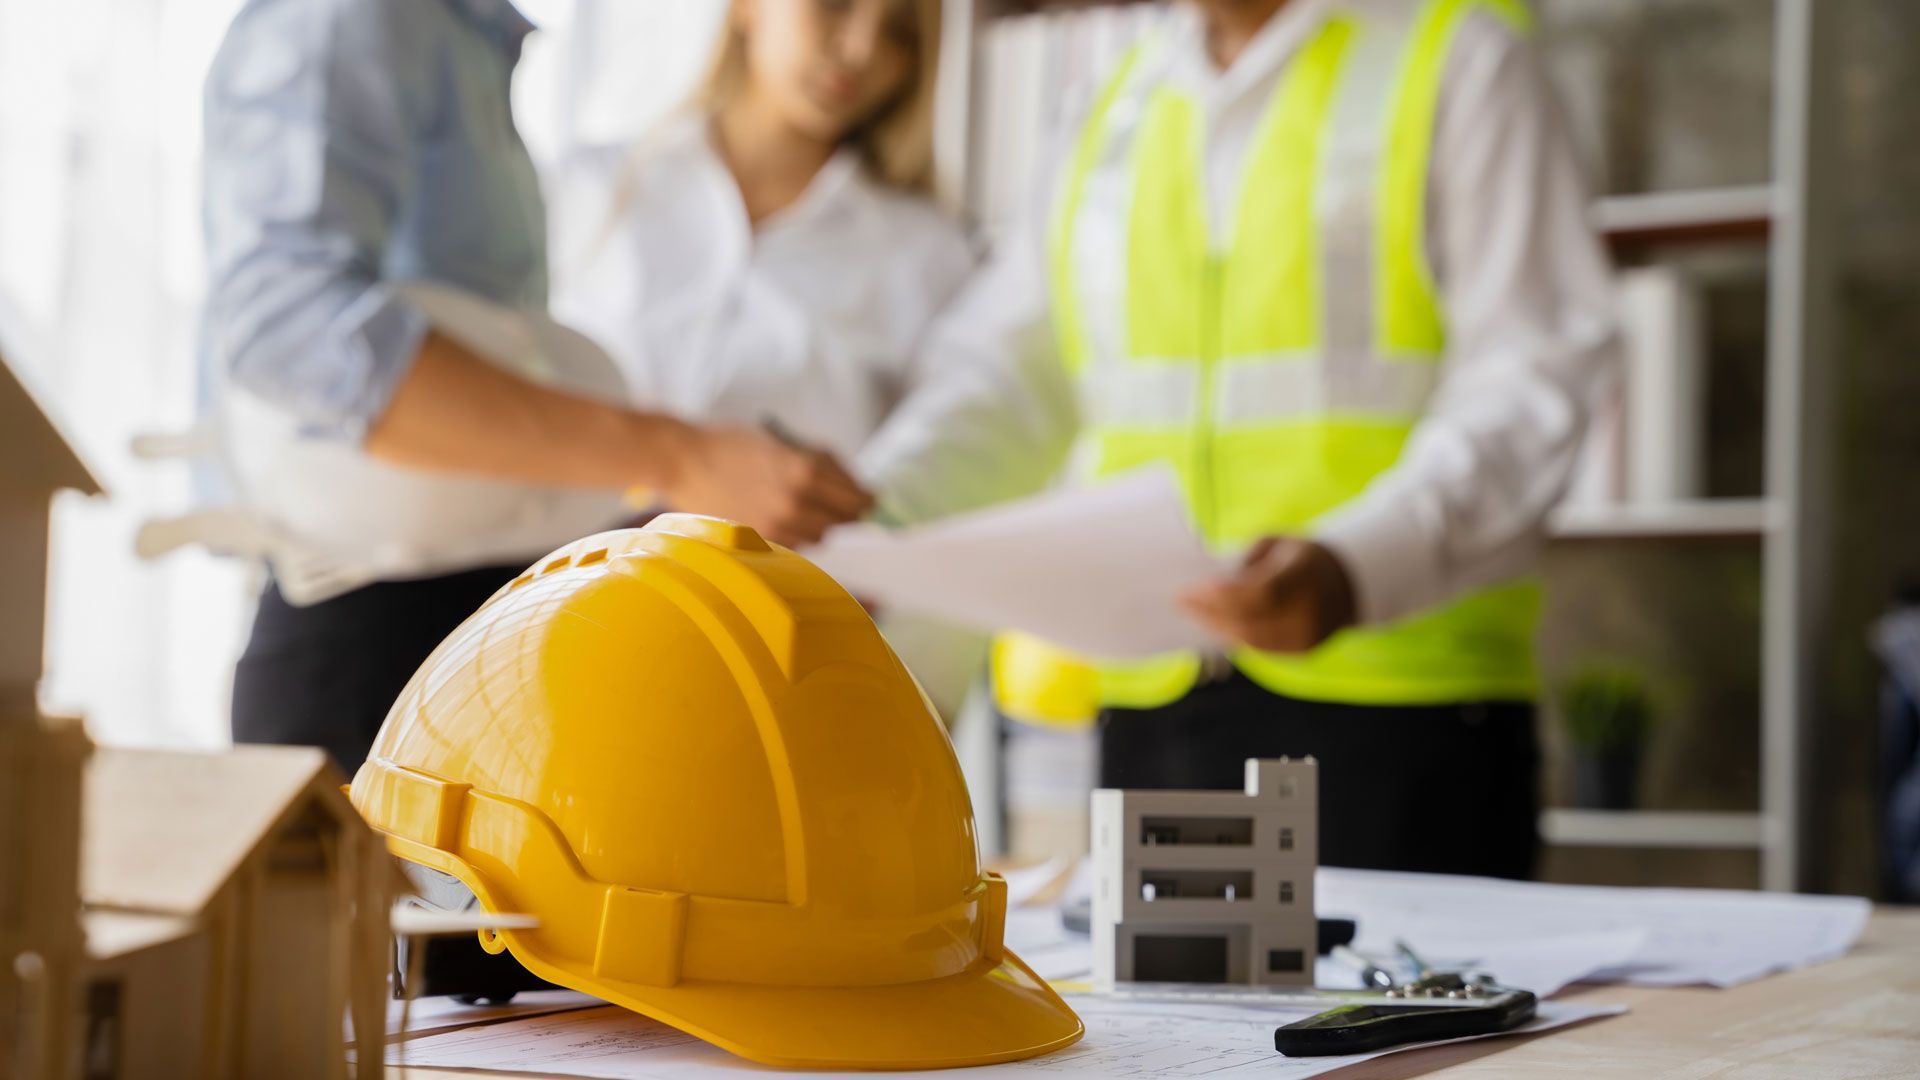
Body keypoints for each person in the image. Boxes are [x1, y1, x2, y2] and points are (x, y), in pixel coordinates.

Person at [860, 0, 1620, 879]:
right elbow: (1008, 375)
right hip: (1158, 705)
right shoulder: (1114, 103)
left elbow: (1533, 367)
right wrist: (872, 512)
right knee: (1165, 1020)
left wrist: (1362, 561)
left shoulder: (1455, 55)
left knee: (1407, 1021)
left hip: (1400, 705)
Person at [200, 0, 873, 773]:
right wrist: (680, 455)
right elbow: (294, 330)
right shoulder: (351, 17)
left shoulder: (465, 43)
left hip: (481, 644)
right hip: (365, 652)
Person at [549, 0, 987, 716]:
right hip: (554, 634)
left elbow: (936, 497)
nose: (859, 49)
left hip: (776, 678)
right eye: (836, 6)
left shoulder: (927, 254)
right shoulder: (589, 191)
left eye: (900, 33)